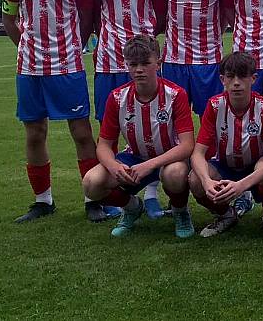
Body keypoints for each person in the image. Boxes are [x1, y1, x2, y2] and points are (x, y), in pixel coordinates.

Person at [1, 0, 117, 223]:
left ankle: (93, 199)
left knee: (81, 132)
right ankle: (43, 201)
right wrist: (27, 47)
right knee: (35, 133)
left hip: (66, 67)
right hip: (29, 69)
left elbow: (87, 18)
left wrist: (70, 48)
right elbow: (9, 19)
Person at [90, 0, 168, 220]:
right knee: (111, 126)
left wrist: (146, 44)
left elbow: (161, 17)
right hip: (109, 62)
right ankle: (118, 195)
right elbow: (90, 17)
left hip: (144, 61)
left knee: (154, 125)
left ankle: (151, 194)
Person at [81, 35, 196, 238]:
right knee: (91, 183)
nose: (139, 69)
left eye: (145, 63)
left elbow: (187, 145)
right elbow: (104, 145)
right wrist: (115, 167)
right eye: (133, 64)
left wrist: (150, 165)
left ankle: (180, 211)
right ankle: (132, 207)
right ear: (126, 65)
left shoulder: (176, 94)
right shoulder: (117, 97)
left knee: (175, 174)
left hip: (168, 158)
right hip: (134, 157)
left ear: (158, 63)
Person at [189, 51, 263, 237]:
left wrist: (241, 186)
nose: (236, 82)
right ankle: (226, 215)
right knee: (195, 180)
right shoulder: (213, 106)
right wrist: (206, 181)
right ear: (222, 79)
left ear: (253, 79)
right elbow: (197, 153)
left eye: (242, 76)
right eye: (230, 76)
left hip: (255, 166)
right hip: (225, 165)